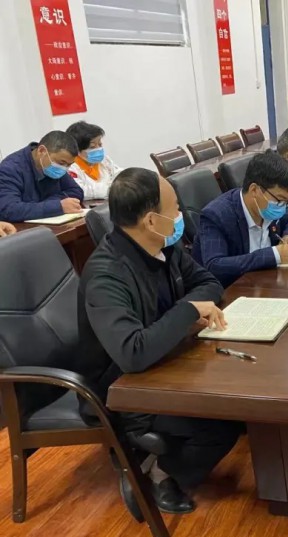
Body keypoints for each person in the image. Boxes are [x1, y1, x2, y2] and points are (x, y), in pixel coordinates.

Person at [78, 167, 240, 515]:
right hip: (124, 389)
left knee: (238, 402)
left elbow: (209, 283)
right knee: (224, 424)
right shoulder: (107, 275)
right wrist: (186, 313)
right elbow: (132, 353)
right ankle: (154, 473)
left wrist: (181, 319)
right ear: (151, 221)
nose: (181, 216)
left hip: (167, 360)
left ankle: (154, 459)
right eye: (175, 209)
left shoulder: (163, 247)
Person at [193, 151, 288, 288]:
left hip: (268, 284)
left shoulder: (273, 203)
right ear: (254, 190)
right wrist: (274, 255)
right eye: (280, 200)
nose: (283, 206)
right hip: (232, 291)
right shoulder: (216, 215)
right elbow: (215, 265)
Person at [0, 131, 84, 222]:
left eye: (69, 165)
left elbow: (76, 191)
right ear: (41, 151)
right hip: (21, 228)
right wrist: (57, 206)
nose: (64, 168)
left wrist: (51, 203)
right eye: (61, 163)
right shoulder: (10, 168)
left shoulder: (56, 166)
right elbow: (9, 210)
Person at [66, 120, 123, 201]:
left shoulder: (104, 160)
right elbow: (82, 191)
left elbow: (118, 173)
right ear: (77, 150)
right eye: (92, 147)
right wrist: (113, 189)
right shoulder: (70, 168)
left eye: (100, 144)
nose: (98, 149)